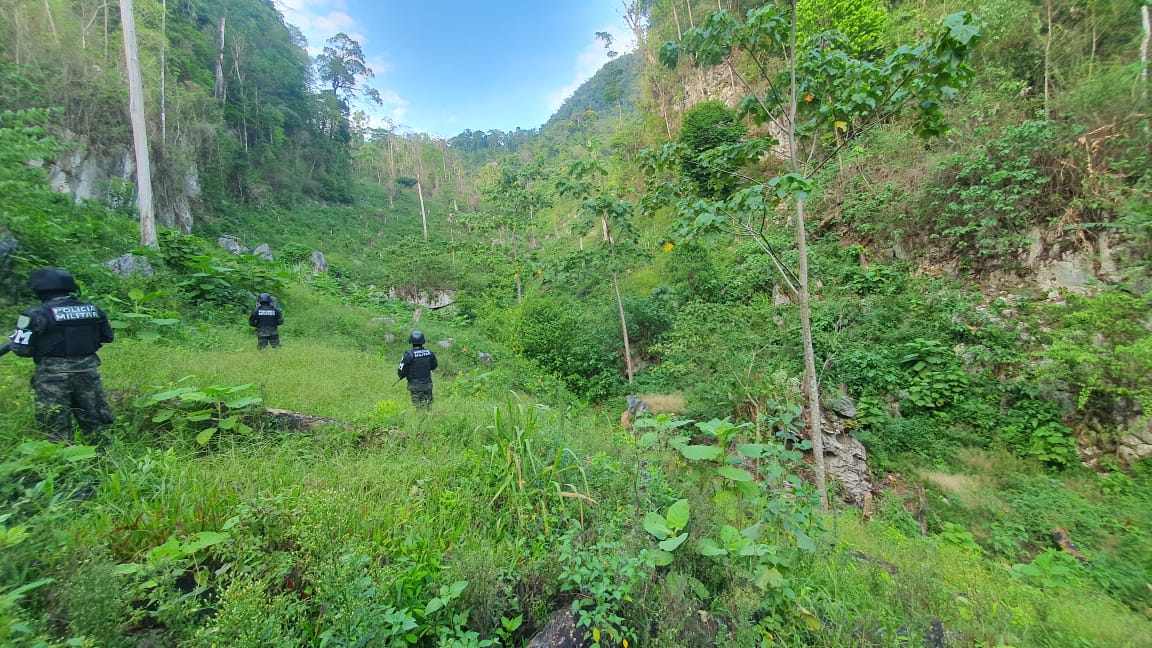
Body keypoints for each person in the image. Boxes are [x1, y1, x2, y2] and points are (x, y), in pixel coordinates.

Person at [7, 268, 115, 443]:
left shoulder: (34, 314)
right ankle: (105, 461)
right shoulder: (93, 310)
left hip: (51, 377)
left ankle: (63, 465)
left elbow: (22, 350)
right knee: (96, 425)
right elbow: (107, 337)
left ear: (38, 289)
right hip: (88, 374)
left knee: (55, 428)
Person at [397, 330, 437, 409]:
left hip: (415, 386)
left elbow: (401, 370)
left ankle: (421, 419)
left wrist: (402, 375)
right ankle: (428, 419)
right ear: (423, 341)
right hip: (427, 384)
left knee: (418, 406)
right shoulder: (430, 353)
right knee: (428, 405)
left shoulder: (408, 355)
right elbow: (434, 366)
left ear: (411, 341)